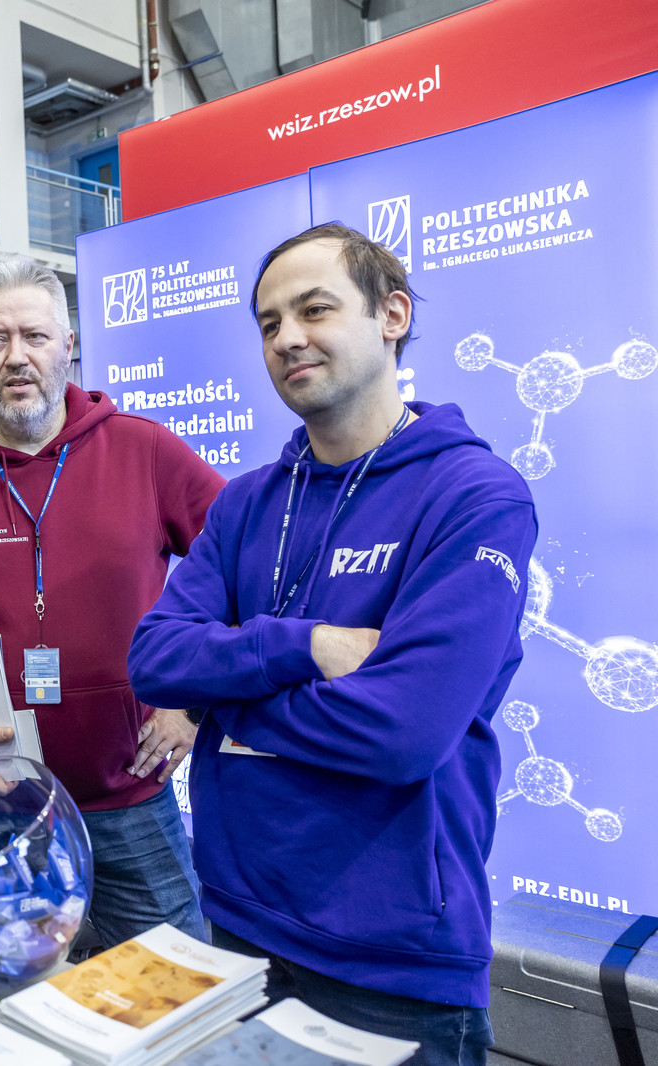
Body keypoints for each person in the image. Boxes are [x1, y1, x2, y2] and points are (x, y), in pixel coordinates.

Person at [128, 223, 537, 1065]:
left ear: (392, 315)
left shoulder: (473, 495)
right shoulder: (246, 504)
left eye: (315, 310)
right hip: (237, 924)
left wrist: (223, 706)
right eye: (270, 323)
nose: (288, 338)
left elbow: (402, 731)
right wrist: (305, 645)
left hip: (390, 959)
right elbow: (154, 659)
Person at [0, 256, 225, 948]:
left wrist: (196, 704)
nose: (16, 357)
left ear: (68, 344)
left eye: (35, 336)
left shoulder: (144, 451)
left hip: (128, 799)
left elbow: (244, 565)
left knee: (176, 989)